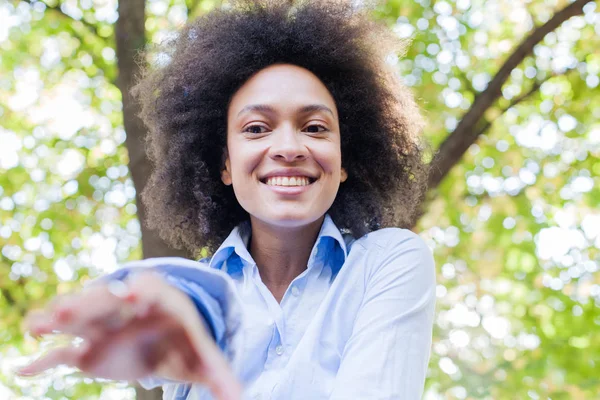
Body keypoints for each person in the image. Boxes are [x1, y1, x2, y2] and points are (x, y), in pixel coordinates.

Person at [18, 0, 436, 399]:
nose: (288, 147)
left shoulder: (388, 262)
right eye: (256, 128)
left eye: (314, 128)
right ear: (224, 164)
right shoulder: (190, 299)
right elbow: (181, 311)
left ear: (345, 160)